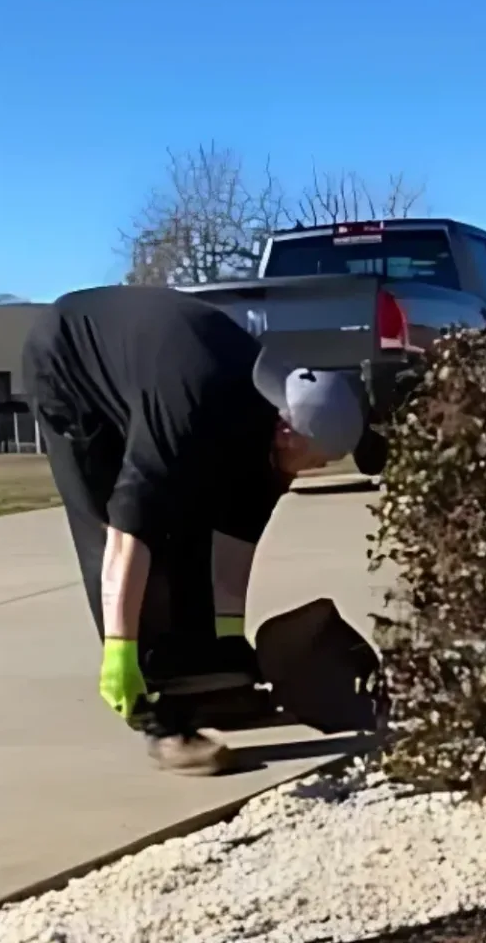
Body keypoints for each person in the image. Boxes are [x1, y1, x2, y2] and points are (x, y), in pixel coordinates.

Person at [24, 284, 367, 772]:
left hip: (150, 362)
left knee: (195, 513)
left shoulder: (270, 408)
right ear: (288, 430)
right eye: (317, 461)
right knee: (127, 524)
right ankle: (159, 721)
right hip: (70, 364)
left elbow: (238, 532)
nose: (309, 471)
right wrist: (120, 649)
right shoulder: (189, 407)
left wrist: (228, 640)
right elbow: (129, 531)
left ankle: (208, 677)